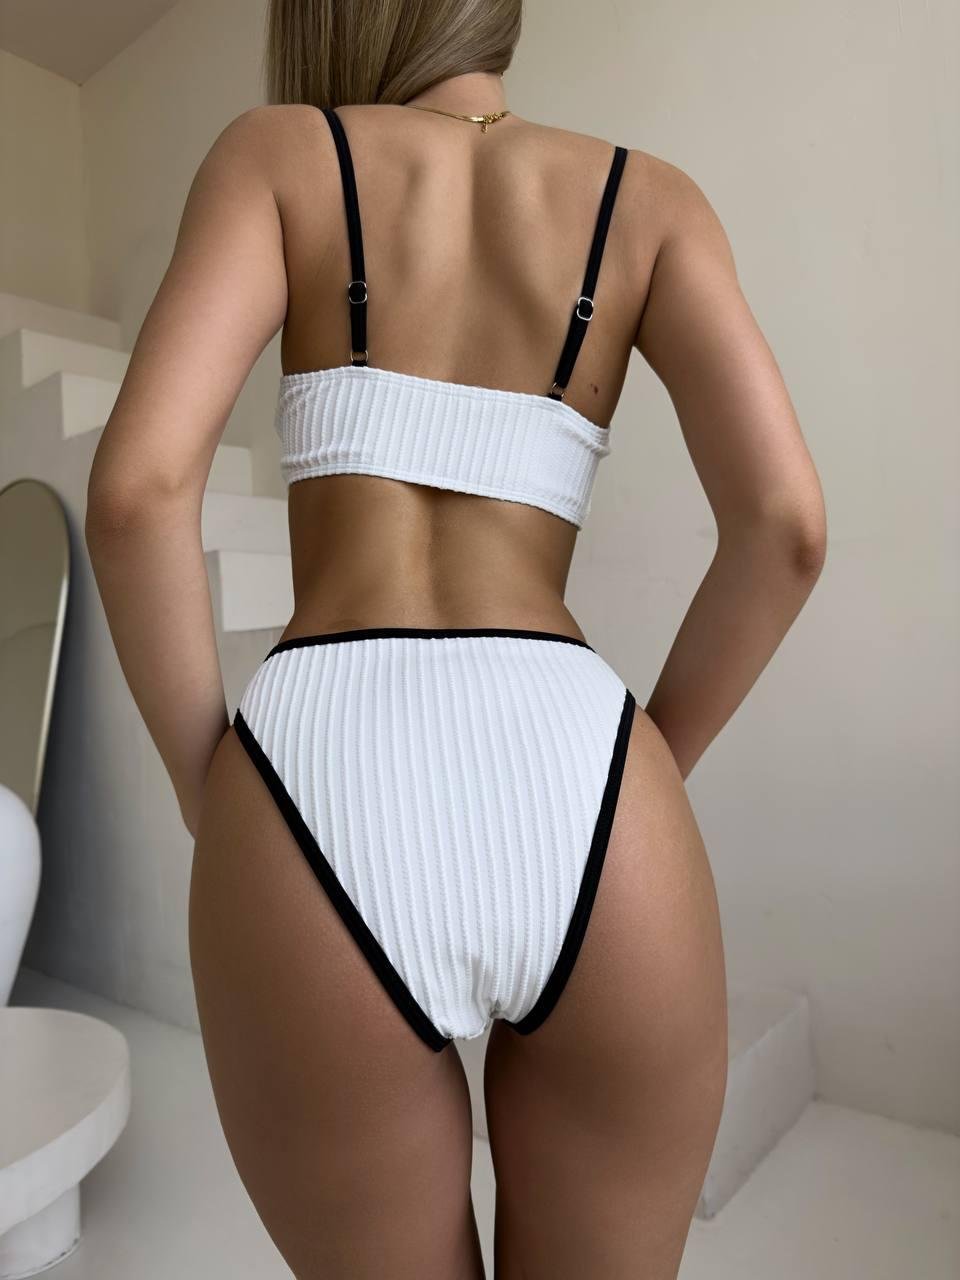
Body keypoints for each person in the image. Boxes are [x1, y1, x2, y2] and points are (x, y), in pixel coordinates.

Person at [85, 1, 826, 1276]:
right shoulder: (651, 200)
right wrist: (646, 762)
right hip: (580, 763)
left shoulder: (278, 154)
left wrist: (218, 788)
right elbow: (788, 527)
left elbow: (136, 493)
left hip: (319, 769)